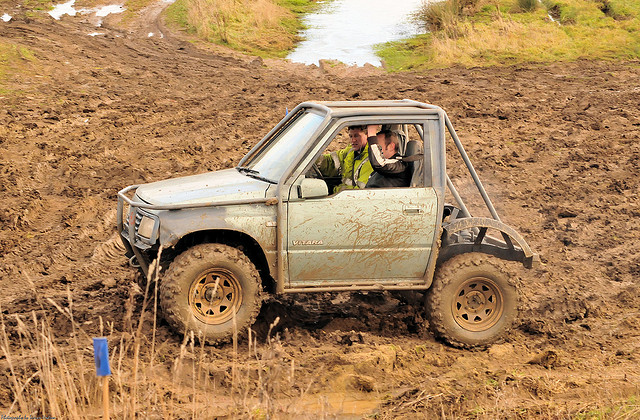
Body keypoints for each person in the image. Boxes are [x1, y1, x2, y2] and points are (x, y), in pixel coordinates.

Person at [316, 125, 374, 193]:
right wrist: (314, 159)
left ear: (367, 135)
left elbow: (359, 192)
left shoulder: (370, 159)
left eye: (356, 136)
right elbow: (330, 162)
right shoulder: (350, 151)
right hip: (343, 194)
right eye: (351, 136)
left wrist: (334, 190)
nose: (353, 140)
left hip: (351, 198)